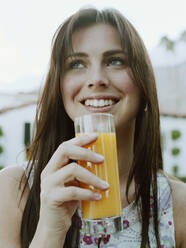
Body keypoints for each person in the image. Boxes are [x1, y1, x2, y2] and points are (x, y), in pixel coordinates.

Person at [0, 7, 186, 248]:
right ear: (59, 86)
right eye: (76, 64)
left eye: (116, 61)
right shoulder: (12, 190)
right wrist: (49, 229)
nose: (96, 78)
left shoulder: (177, 204)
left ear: (143, 86)